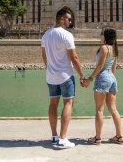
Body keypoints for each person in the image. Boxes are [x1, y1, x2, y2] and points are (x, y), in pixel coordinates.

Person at [41, 9, 85, 149]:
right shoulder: (67, 35)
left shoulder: (46, 35)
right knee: (68, 103)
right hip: (65, 75)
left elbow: (44, 56)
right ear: (61, 19)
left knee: (53, 104)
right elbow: (74, 57)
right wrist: (82, 75)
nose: (70, 22)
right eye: (68, 19)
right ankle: (63, 138)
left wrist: (50, 69)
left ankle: (54, 136)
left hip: (51, 75)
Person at [82, 27, 123, 145]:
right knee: (113, 109)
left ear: (105, 36)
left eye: (101, 34)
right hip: (112, 78)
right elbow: (114, 67)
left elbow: (100, 66)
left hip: (103, 78)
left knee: (99, 110)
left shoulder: (104, 48)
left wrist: (89, 79)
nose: (100, 35)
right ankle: (119, 137)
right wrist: (110, 78)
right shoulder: (115, 49)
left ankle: (98, 138)